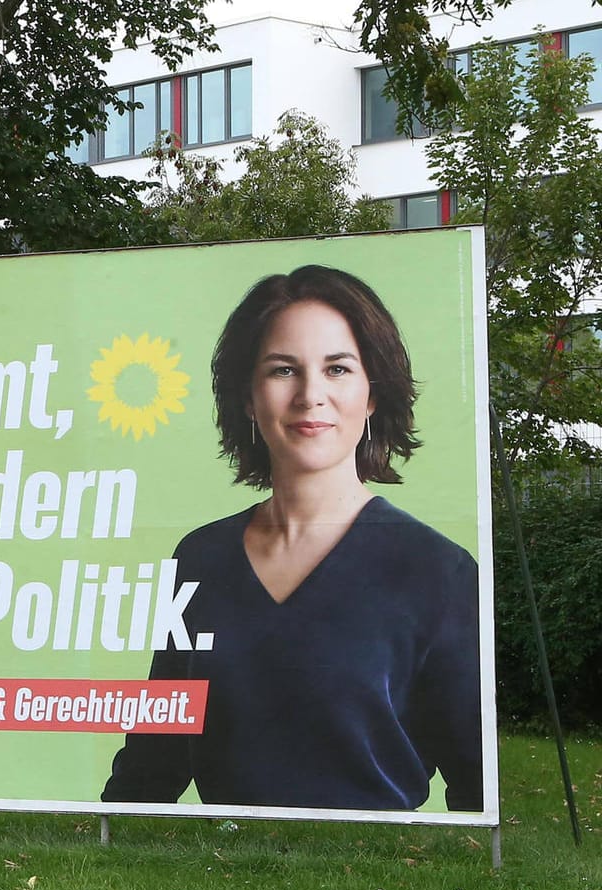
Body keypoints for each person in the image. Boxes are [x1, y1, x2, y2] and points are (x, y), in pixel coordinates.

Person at [101, 265, 483, 812]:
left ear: (372, 393)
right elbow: (153, 756)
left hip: (375, 880)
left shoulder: (439, 571)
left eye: (338, 369)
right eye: (284, 370)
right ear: (249, 398)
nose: (311, 395)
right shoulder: (199, 559)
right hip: (213, 878)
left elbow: (477, 783)